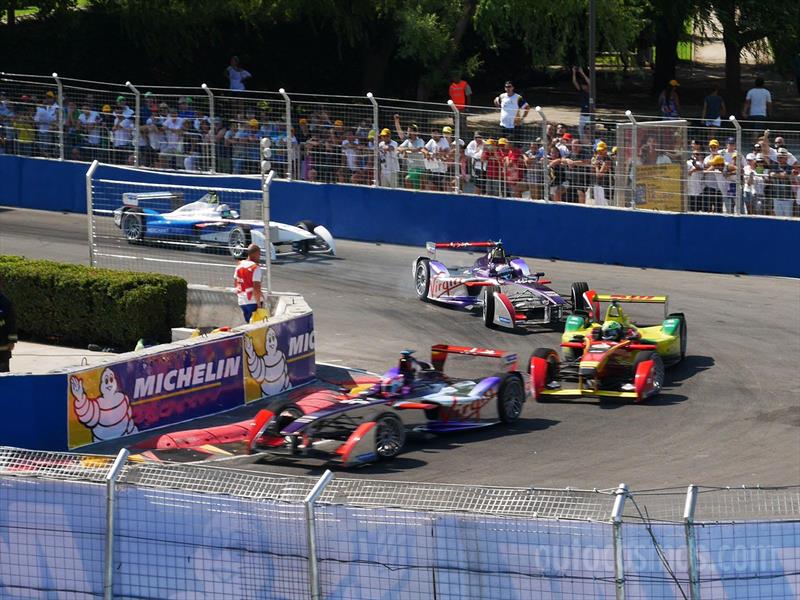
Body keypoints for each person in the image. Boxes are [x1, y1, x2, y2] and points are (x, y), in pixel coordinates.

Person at [234, 243, 263, 323]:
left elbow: (235, 283)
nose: (259, 256)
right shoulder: (255, 268)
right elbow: (256, 287)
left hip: (242, 301)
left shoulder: (239, 265)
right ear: (255, 254)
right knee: (256, 324)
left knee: (248, 323)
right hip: (252, 301)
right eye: (259, 254)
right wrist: (259, 305)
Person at [0, 285, 17, 373]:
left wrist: (12, 341)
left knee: (3, 376)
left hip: (2, 346)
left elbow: (11, 323)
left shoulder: (5, 302)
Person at [572, 67, 592, 139]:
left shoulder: (591, 92)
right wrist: (574, 72)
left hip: (590, 114)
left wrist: (582, 73)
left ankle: (590, 141)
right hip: (583, 114)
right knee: (580, 129)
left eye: (584, 85)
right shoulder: (581, 91)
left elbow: (590, 83)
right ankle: (582, 140)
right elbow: (575, 82)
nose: (583, 87)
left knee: (589, 129)